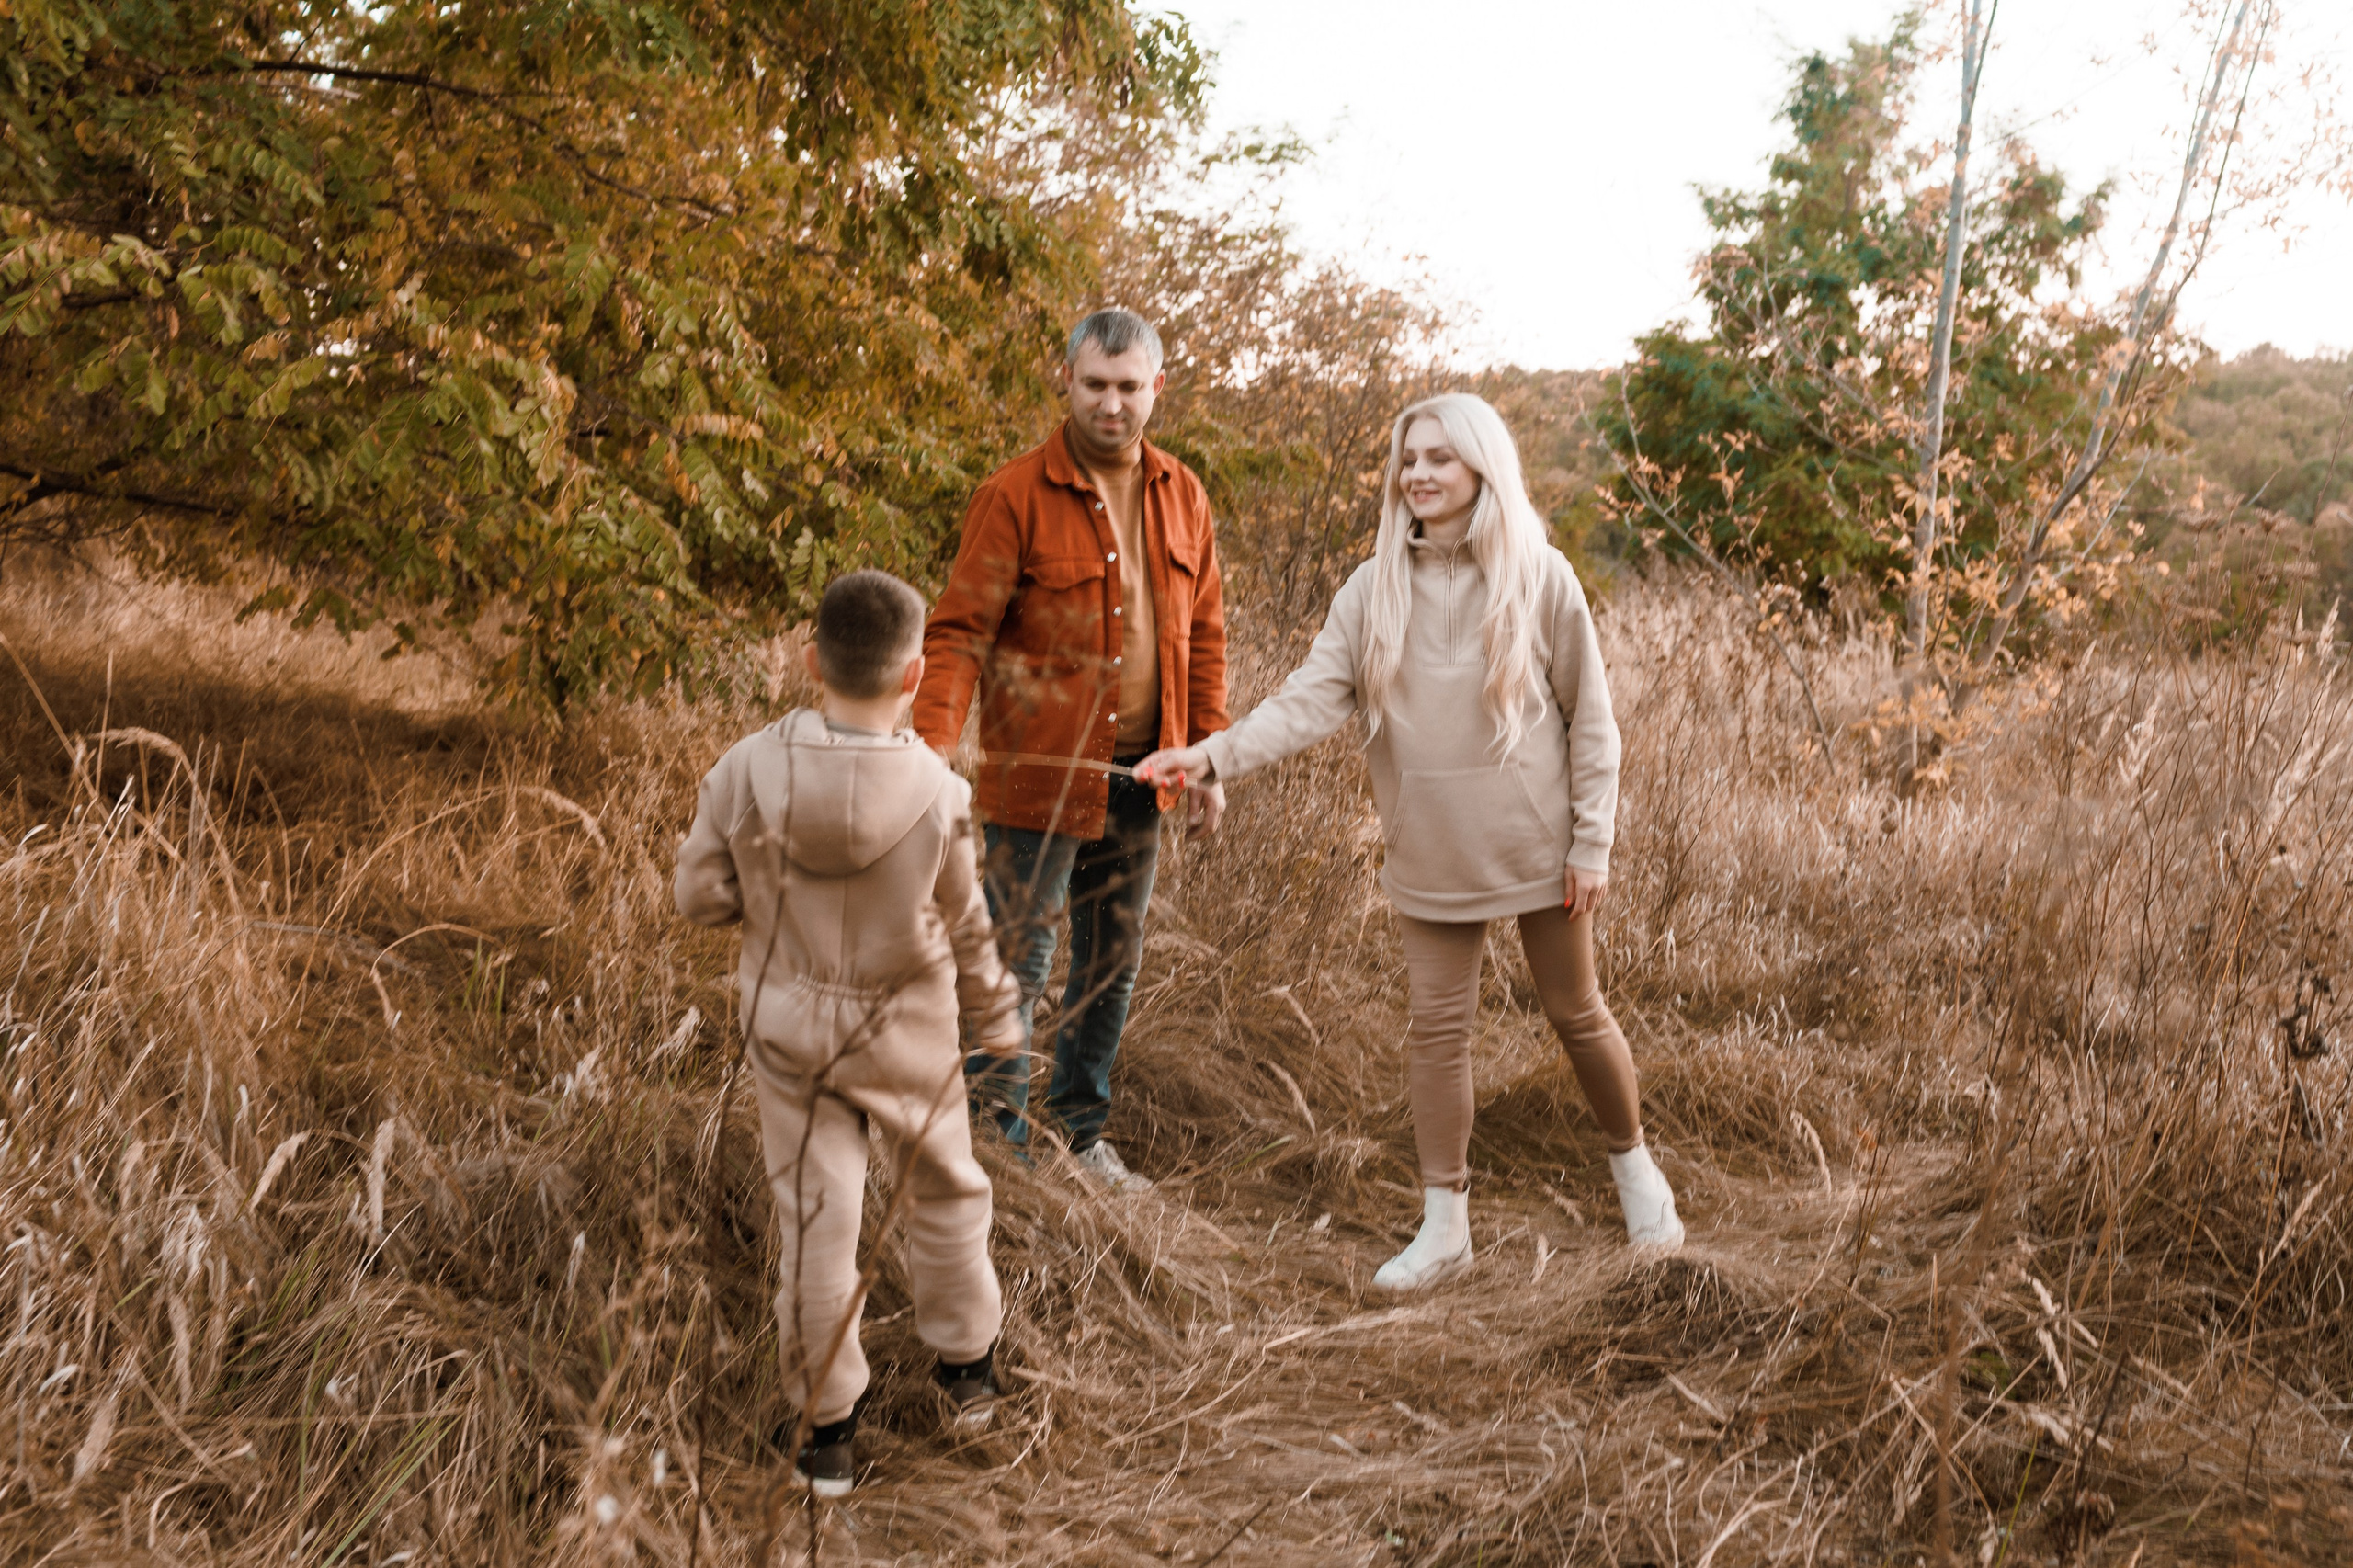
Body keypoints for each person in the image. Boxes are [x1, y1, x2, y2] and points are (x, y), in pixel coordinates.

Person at [1138, 392, 1684, 1290]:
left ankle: (1637, 1178)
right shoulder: (1371, 586)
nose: (1420, 473)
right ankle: (1444, 1225)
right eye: (1409, 457)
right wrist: (1207, 756)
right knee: (1436, 1032)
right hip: (1428, 846)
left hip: (1537, 846)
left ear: (1481, 467)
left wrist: (1594, 842)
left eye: (1441, 456)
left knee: (1575, 1011)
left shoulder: (1538, 576)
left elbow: (1594, 721)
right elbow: (1307, 701)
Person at [674, 570, 1027, 1496]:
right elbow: (968, 922)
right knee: (947, 1188)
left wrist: (761, 897)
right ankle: (968, 1373)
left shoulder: (746, 767)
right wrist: (995, 1011)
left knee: (817, 1219)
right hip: (904, 1025)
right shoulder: (938, 789)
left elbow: (696, 893)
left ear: (807, 661)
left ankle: (824, 1432)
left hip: (788, 1024)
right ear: (914, 675)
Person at [913, 308, 1230, 1192]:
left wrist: (1207, 755)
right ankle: (995, 1149)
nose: (1113, 405)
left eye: (1130, 388)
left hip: (1146, 778)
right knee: (1016, 964)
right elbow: (959, 633)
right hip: (1038, 780)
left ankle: (1081, 1134)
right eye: (1096, 384)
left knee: (1109, 968)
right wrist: (929, 749)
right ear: (1068, 381)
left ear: (1156, 388)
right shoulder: (1013, 495)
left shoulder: (1184, 495)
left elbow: (1204, 634)